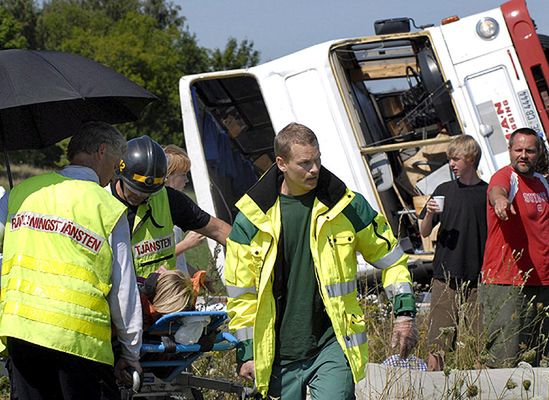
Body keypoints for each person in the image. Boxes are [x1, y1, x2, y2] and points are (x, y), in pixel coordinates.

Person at [225, 123, 418, 399]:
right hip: (277, 354)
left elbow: (392, 260)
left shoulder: (346, 206)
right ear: (281, 163)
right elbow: (241, 294)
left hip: (333, 344)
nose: (314, 169)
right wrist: (246, 352)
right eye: (304, 163)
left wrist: (404, 314)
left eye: (317, 159)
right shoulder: (251, 219)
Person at [0, 121, 142, 400]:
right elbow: (124, 289)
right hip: (79, 342)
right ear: (101, 151)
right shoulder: (107, 208)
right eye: (117, 161)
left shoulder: (23, 192)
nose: (117, 170)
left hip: (22, 334)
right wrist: (130, 351)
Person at [110, 135, 231, 278]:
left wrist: (252, 253)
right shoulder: (101, 201)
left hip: (163, 297)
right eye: (136, 190)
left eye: (149, 192)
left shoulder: (168, 198)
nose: (141, 196)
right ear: (121, 176)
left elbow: (218, 230)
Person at [480, 127, 549, 367]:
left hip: (542, 281)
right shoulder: (505, 176)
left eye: (529, 150)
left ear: (538, 153)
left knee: (540, 357)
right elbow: (496, 191)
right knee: (503, 358)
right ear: (509, 151)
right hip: (507, 281)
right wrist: (500, 201)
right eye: (518, 149)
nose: (523, 155)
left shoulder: (542, 183)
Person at [418, 135, 487, 371]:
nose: (451, 164)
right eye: (450, 159)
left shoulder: (487, 193)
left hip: (478, 279)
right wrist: (428, 213)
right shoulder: (443, 190)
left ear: (470, 158)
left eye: (455, 158)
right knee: (438, 345)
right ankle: (434, 391)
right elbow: (424, 232)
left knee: (483, 344)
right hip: (445, 277)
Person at [163, 144, 206, 276]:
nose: (187, 180)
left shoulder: (174, 209)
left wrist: (195, 273)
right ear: (168, 176)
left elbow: (176, 260)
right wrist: (187, 243)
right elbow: (157, 257)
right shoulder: (160, 212)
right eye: (183, 174)